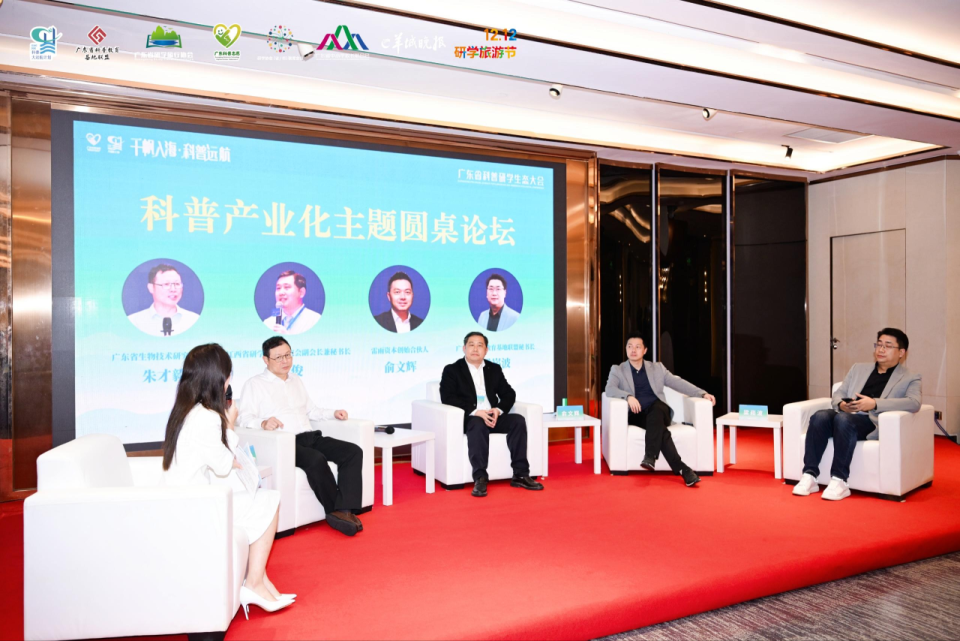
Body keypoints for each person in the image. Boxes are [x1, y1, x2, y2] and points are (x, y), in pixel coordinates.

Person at [160, 344, 293, 618]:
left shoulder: (185, 410)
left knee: (262, 499)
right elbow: (223, 464)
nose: (229, 382)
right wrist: (230, 424)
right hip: (197, 508)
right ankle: (254, 583)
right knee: (270, 499)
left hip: (182, 502)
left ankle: (260, 580)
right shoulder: (207, 417)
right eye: (227, 376)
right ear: (217, 378)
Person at [238, 336, 364, 536]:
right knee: (316, 459)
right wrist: (262, 423)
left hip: (310, 437)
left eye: (288, 355)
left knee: (353, 452)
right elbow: (244, 418)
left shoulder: (296, 380)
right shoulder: (254, 384)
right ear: (265, 360)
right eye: (278, 357)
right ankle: (336, 511)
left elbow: (312, 411)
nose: (285, 361)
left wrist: (333, 413)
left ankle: (345, 509)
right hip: (286, 442)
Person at [793, 328, 921, 501]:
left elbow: (914, 402)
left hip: (872, 421)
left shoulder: (910, 377)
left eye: (888, 346)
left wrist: (874, 404)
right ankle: (810, 475)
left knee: (843, 420)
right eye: (879, 344)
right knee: (820, 416)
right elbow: (839, 392)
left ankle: (840, 480)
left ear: (901, 352)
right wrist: (842, 404)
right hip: (847, 414)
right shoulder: (858, 368)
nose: (881, 349)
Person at [439, 331, 544, 497]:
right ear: (464, 348)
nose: (475, 349)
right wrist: (476, 412)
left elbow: (509, 394)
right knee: (477, 423)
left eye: (480, 345)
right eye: (471, 345)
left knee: (517, 420)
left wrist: (498, 410)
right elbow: (448, 397)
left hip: (493, 415)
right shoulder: (452, 370)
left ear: (486, 350)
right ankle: (480, 478)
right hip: (470, 418)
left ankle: (521, 474)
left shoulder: (493, 369)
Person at [605, 332, 716, 487]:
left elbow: (678, 383)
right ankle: (684, 469)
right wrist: (628, 396)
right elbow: (610, 389)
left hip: (659, 409)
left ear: (645, 350)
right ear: (626, 349)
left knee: (656, 411)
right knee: (660, 430)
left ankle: (650, 455)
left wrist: (701, 393)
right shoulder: (618, 370)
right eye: (630, 346)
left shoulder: (657, 368)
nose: (633, 350)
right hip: (638, 414)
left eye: (637, 347)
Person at [127, 263, 200, 336]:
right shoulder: (135, 321)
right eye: (166, 284)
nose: (173, 289)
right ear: (151, 288)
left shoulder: (193, 319)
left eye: (177, 284)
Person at [262, 270, 321, 335]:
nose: (281, 292)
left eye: (286, 287)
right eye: (278, 288)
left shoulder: (315, 320)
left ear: (301, 292)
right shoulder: (269, 323)